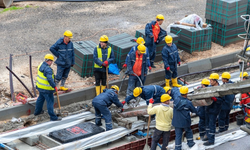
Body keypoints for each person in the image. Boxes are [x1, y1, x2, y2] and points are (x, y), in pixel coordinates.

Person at [34, 54, 61, 121]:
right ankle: (53, 117)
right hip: (47, 89)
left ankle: (37, 112)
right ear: (48, 61)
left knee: (40, 99)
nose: (51, 62)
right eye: (51, 61)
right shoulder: (48, 69)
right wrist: (54, 86)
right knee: (50, 102)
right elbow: (49, 79)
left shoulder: (41, 65)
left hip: (40, 87)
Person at [203, 73, 224, 146]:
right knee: (207, 124)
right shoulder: (209, 87)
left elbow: (221, 100)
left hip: (214, 109)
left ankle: (211, 140)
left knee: (211, 124)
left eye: (211, 80)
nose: (210, 81)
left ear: (215, 81)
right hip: (208, 108)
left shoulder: (220, 88)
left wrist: (215, 99)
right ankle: (208, 136)